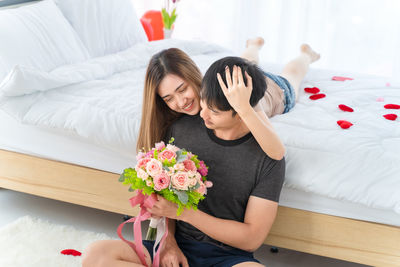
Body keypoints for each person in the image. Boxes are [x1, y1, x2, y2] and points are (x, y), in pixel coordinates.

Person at [82, 56, 286, 267]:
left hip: (226, 256)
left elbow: (251, 239)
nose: (203, 115)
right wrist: (168, 241)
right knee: (96, 254)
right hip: (175, 247)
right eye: (204, 102)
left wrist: (186, 213)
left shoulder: (269, 157)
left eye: (214, 111)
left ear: (241, 114)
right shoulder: (182, 128)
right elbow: (167, 195)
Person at [136, 38, 320, 161]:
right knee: (247, 62)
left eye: (182, 89)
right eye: (169, 99)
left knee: (293, 73)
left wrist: (244, 108)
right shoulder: (211, 86)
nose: (181, 102)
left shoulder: (240, 99)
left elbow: (278, 152)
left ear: (193, 75)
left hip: (276, 90)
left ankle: (307, 55)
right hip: (244, 78)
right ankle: (253, 46)